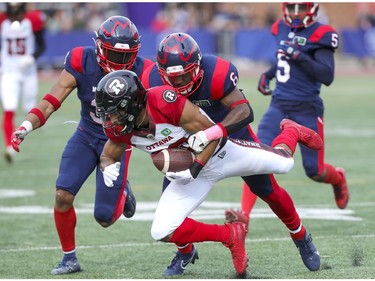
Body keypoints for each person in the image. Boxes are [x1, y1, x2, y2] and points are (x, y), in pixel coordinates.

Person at [96, 69, 322, 277]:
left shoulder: (164, 102)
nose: (111, 120)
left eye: (116, 112)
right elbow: (108, 155)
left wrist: (195, 168)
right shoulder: (122, 128)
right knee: (161, 230)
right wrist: (108, 167)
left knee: (285, 164)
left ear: (134, 104)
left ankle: (290, 132)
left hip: (222, 153)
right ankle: (231, 235)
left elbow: (212, 135)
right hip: (192, 173)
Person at [141, 32, 310, 276]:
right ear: (161, 72)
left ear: (198, 66)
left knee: (268, 189)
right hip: (190, 146)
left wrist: (213, 133)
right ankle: (185, 251)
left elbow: (244, 111)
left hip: (232, 136)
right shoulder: (151, 80)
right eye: (173, 78)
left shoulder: (216, 72)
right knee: (170, 208)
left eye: (186, 76)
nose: (180, 85)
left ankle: (300, 236)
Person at [10, 16, 153, 275]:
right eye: (113, 54)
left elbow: (162, 110)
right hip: (86, 135)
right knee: (62, 195)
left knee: (105, 218)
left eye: (125, 56)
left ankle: (122, 193)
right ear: (99, 48)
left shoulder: (144, 70)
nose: (120, 63)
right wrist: (26, 126)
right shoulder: (81, 61)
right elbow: (52, 99)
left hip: (117, 143)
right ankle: (69, 258)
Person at [256, 2, 349, 210]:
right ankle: (243, 216)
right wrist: (268, 74)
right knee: (257, 157)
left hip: (307, 108)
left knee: (314, 171)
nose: (296, 13)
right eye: (292, 8)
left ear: (313, 9)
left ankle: (338, 179)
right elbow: (284, 58)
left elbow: (327, 76)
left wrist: (300, 56)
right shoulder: (280, 27)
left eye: (302, 8)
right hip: (279, 104)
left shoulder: (321, 33)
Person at [0, 3, 46, 164]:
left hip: (28, 73)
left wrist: (32, 57)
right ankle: (9, 148)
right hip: (9, 72)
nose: (14, 16)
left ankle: (20, 136)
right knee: (9, 109)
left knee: (30, 110)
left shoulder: (32, 20)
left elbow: (42, 45)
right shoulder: (2, 21)